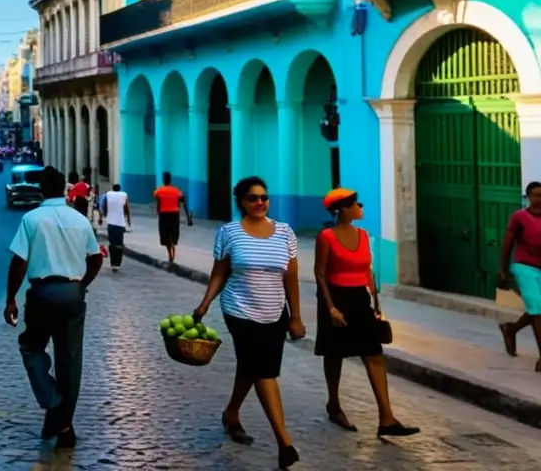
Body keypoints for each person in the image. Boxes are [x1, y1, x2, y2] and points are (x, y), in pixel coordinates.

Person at [193, 176, 304, 470]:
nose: (260, 202)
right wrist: (205, 303)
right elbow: (220, 272)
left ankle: (231, 413)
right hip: (239, 310)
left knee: (251, 367)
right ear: (241, 202)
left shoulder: (284, 233)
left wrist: (295, 316)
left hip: (274, 314)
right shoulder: (229, 233)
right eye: (253, 198)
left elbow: (290, 276)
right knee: (264, 372)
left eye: (264, 198)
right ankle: (285, 443)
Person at [5, 166, 104, 449]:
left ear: (40, 189)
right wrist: (82, 285)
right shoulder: (79, 220)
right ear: (64, 190)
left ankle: (51, 398)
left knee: (31, 346)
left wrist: (11, 298)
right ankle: (64, 424)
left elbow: (20, 262)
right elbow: (96, 258)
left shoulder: (32, 219)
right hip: (73, 294)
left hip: (43, 293)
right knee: (70, 361)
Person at [315, 189, 419, 436]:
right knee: (334, 353)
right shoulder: (326, 237)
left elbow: (367, 270)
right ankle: (334, 404)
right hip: (336, 299)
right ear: (343, 209)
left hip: (360, 299)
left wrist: (376, 301)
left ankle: (387, 418)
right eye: (356, 204)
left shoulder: (363, 235)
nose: (360, 207)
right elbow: (320, 273)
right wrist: (331, 308)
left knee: (374, 353)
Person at [498, 181, 541, 371]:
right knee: (538, 309)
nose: (539, 198)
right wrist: (503, 270)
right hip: (525, 267)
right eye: (536, 195)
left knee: (536, 308)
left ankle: (511, 329)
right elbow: (508, 243)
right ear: (528, 197)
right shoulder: (519, 217)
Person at [154, 171, 185, 262]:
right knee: (173, 232)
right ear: (170, 180)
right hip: (174, 214)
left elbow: (158, 203)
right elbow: (183, 201)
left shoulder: (158, 191)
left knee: (165, 234)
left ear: (163, 180)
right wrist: (188, 217)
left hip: (163, 215)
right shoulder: (176, 190)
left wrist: (158, 213)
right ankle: (172, 249)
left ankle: (170, 252)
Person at [103, 184, 131, 272]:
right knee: (119, 244)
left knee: (112, 243)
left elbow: (104, 207)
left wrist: (105, 216)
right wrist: (129, 221)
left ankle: (112, 263)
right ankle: (117, 263)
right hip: (120, 223)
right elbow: (127, 209)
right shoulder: (124, 195)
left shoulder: (108, 194)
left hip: (110, 223)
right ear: (119, 189)